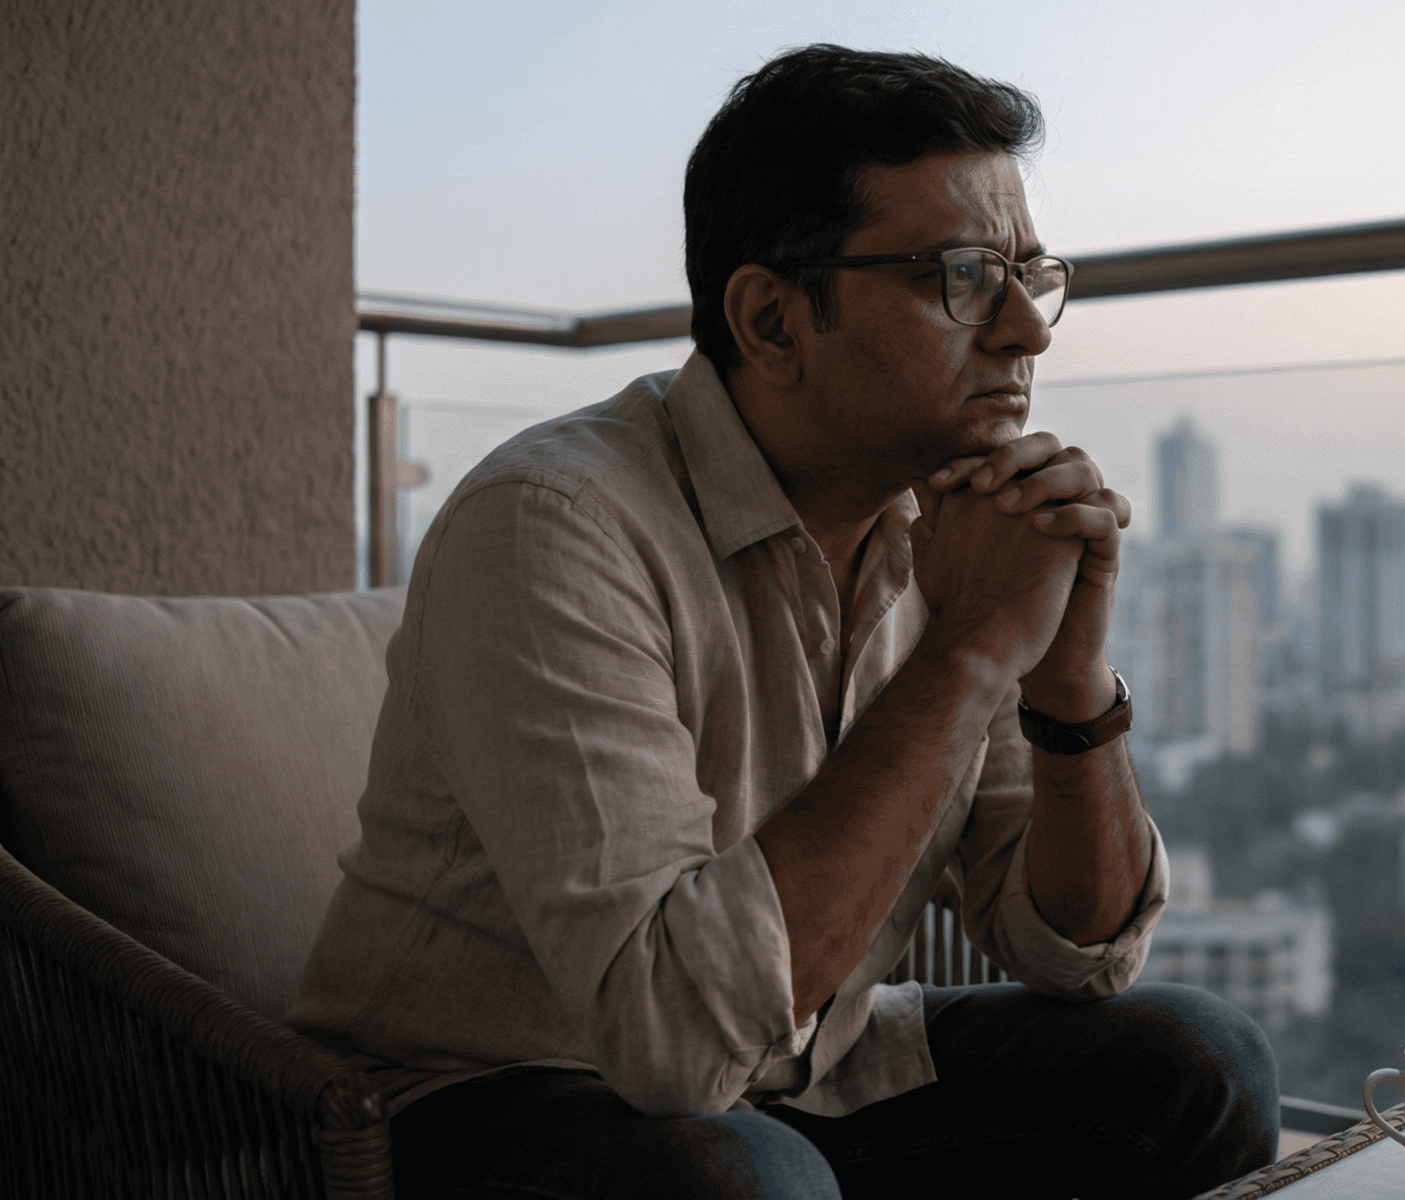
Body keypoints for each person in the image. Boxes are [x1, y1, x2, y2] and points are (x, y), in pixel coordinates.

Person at [287, 43, 1278, 1199]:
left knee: (1200, 1064)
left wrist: (1066, 682)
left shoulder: (952, 526)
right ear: (769, 321)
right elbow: (670, 1041)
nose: (1025, 330)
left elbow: (1075, 954)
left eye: (1028, 272)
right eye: (961, 274)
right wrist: (962, 655)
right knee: (743, 1178)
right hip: (478, 1100)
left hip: (807, 1071)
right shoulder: (553, 523)